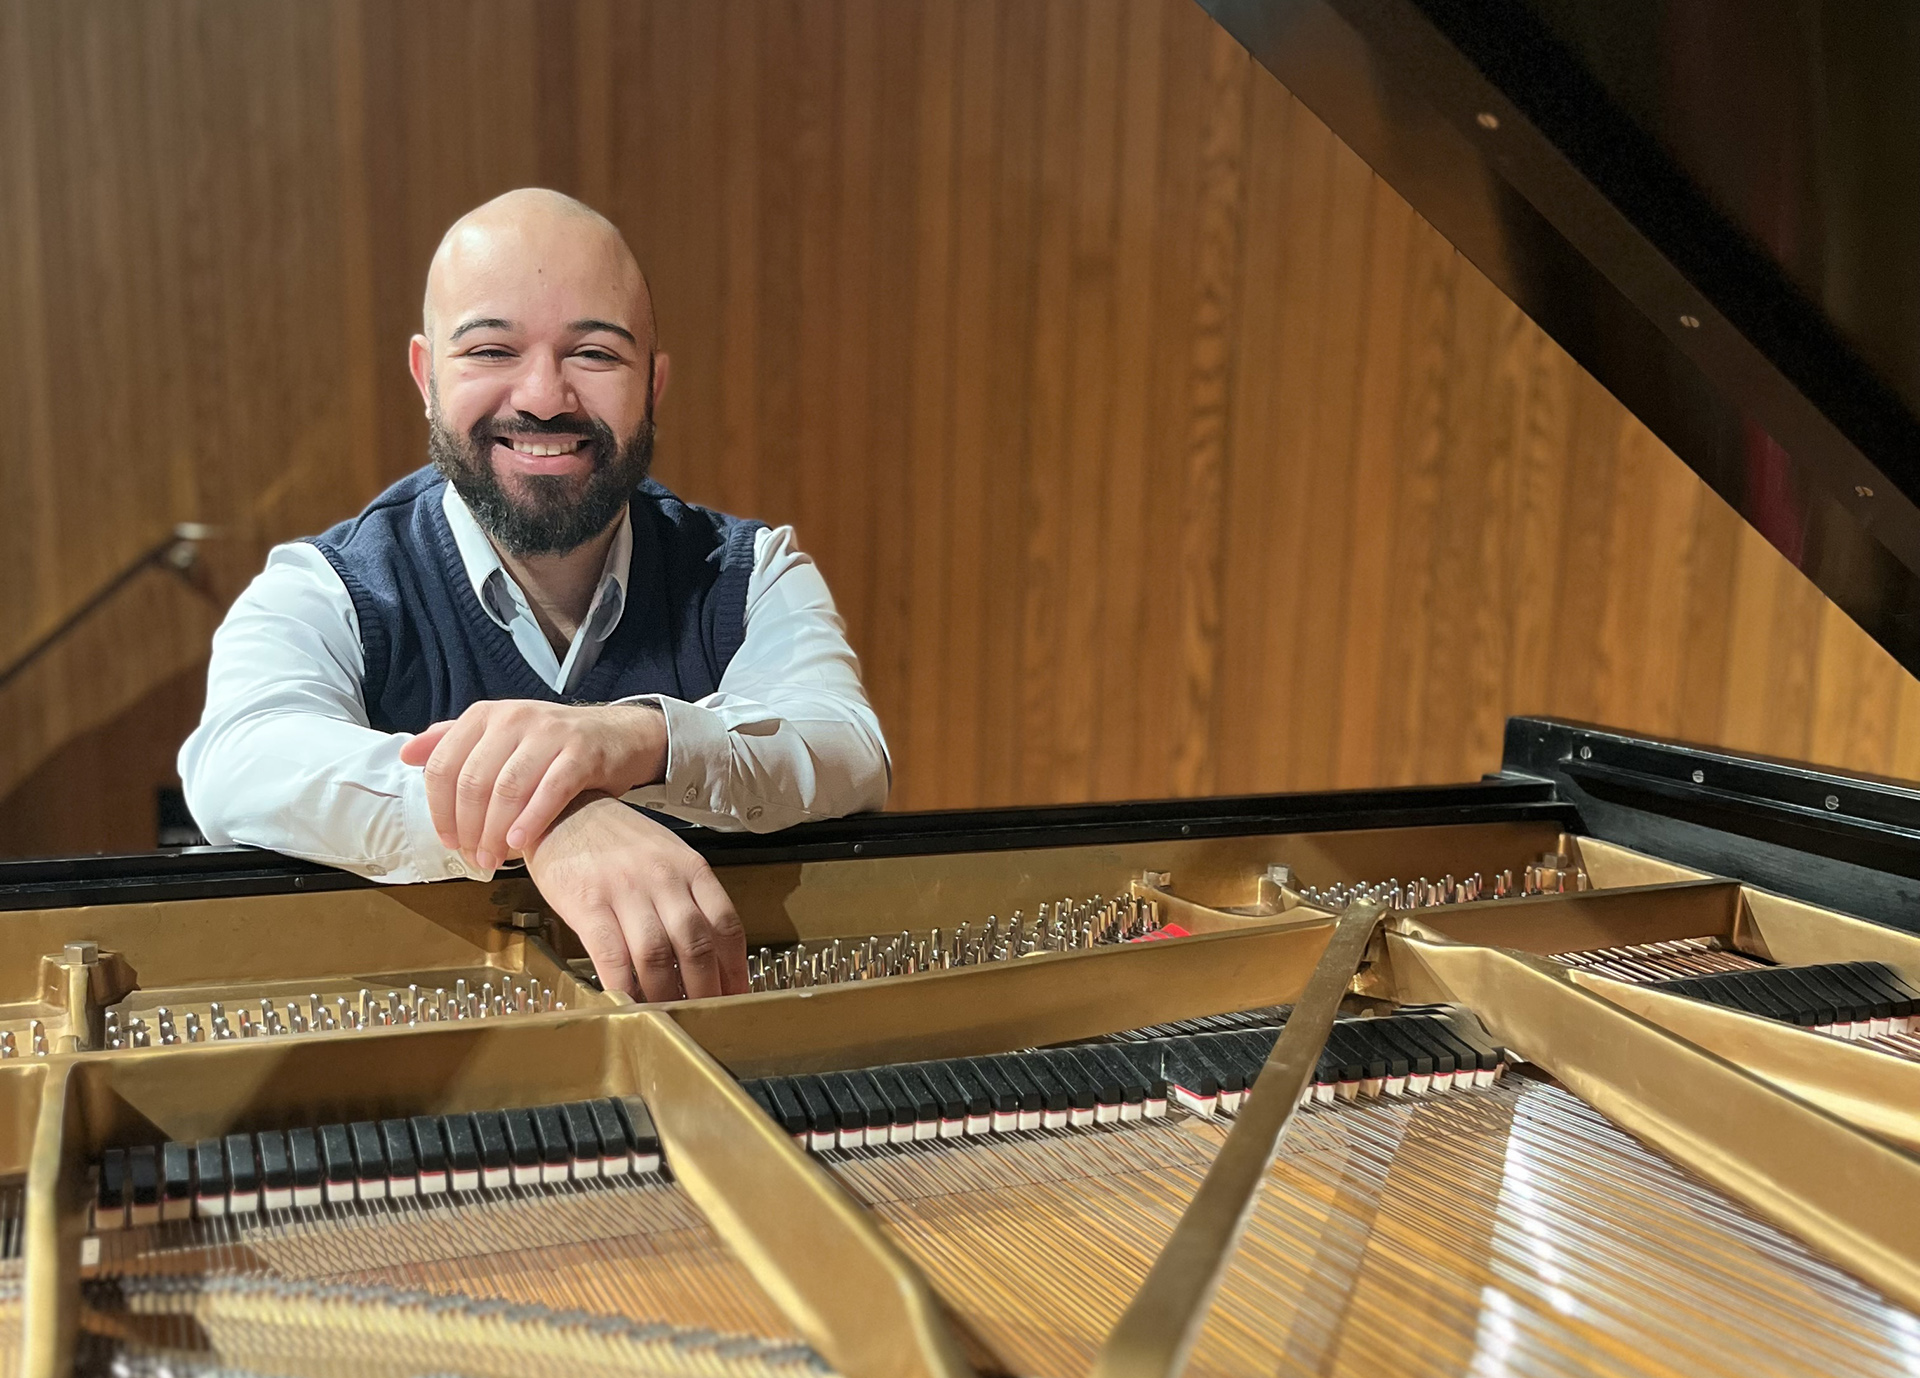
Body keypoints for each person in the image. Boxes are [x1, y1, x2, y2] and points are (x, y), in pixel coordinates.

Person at [179, 189, 889, 1001]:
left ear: (652, 386)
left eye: (595, 354)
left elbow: (845, 746)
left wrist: (632, 738)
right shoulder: (325, 587)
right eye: (490, 351)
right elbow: (241, 761)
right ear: (426, 376)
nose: (544, 397)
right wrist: (550, 816)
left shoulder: (752, 572)